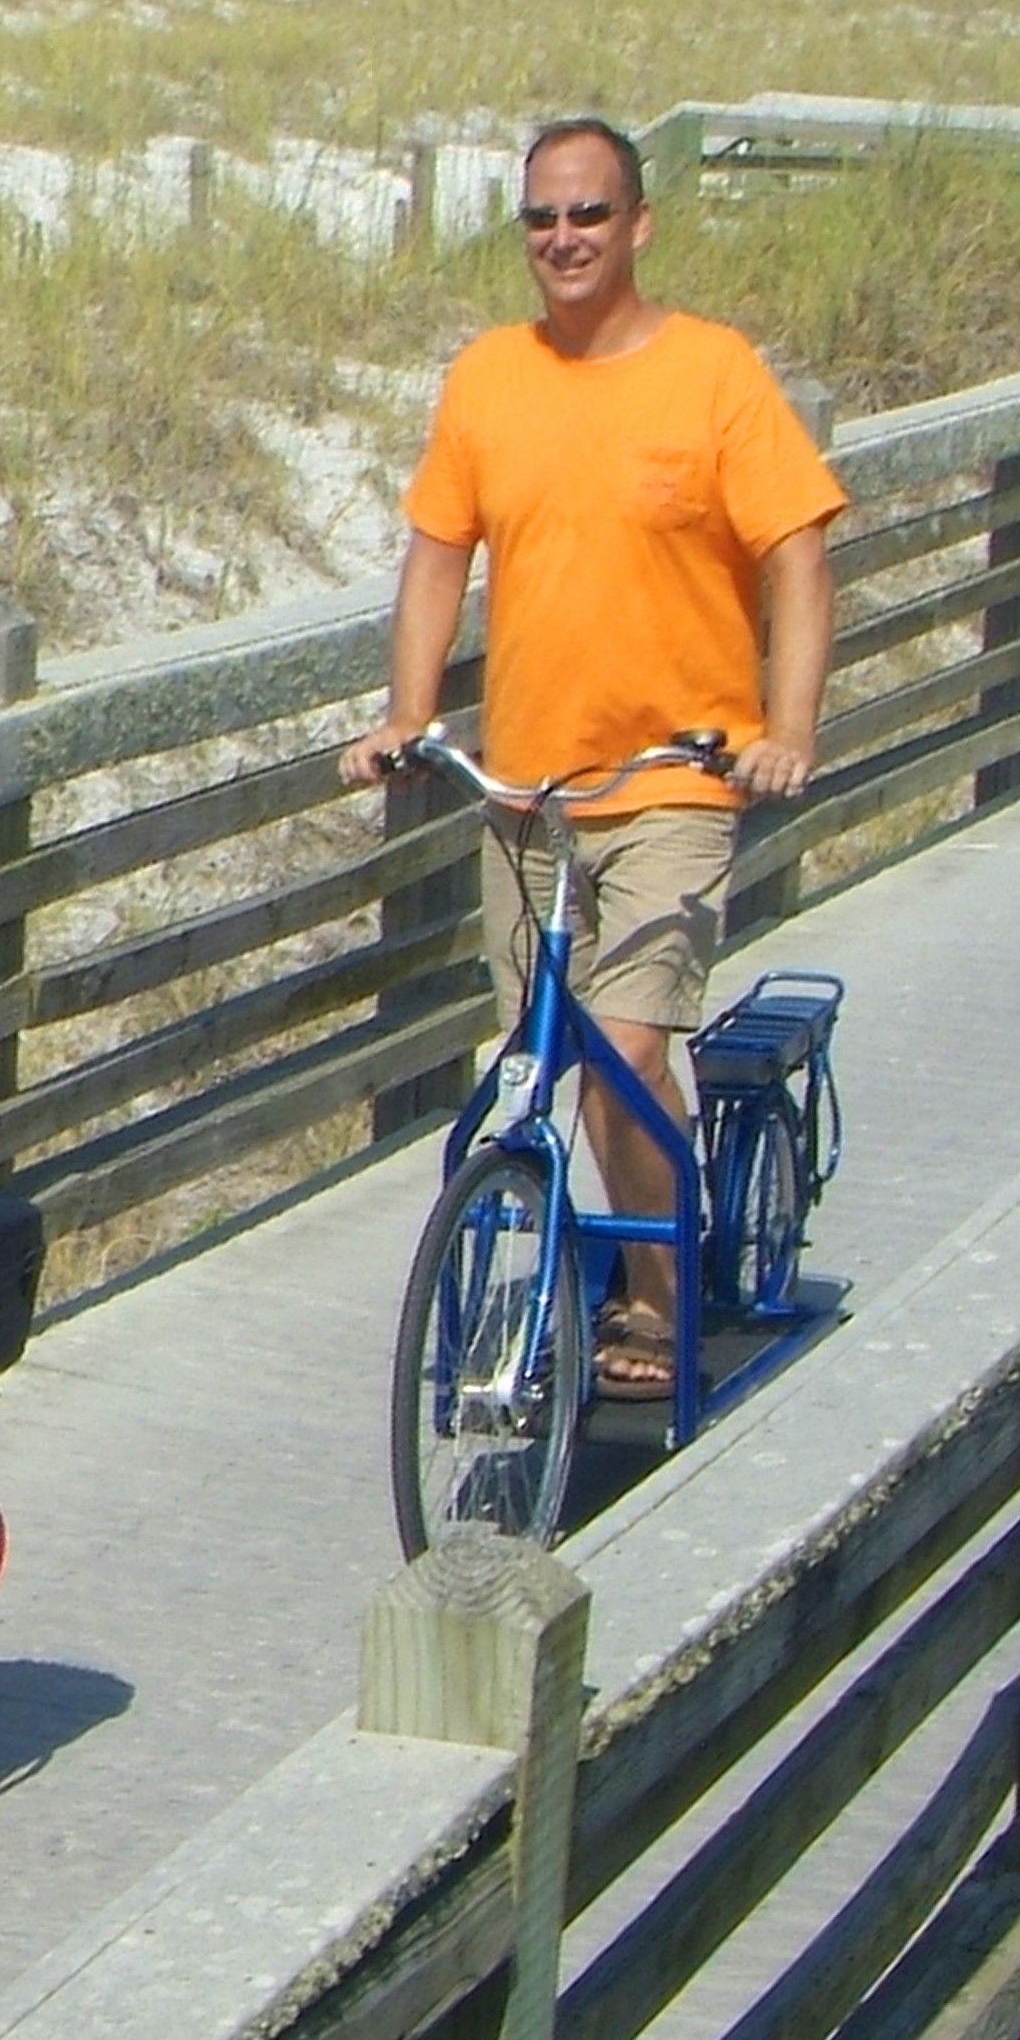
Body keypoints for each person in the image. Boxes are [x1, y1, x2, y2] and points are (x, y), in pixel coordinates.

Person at [340, 115, 845, 1402]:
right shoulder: (488, 377)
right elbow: (436, 555)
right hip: (526, 792)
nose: (563, 238)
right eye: (541, 218)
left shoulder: (711, 372)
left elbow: (796, 558)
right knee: (534, 1059)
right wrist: (407, 714)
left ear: (637, 225)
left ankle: (660, 1303)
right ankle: (559, 1256)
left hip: (672, 777)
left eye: (588, 214)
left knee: (623, 1056)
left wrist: (786, 731)